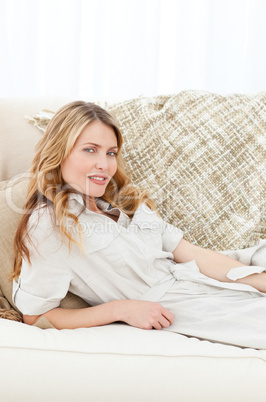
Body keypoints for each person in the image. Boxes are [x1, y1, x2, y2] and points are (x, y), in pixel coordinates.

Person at [12, 101, 266, 349]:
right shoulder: (49, 225)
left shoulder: (123, 202)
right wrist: (121, 309)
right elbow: (35, 315)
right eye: (90, 149)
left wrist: (256, 280)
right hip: (182, 308)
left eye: (111, 153)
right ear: (59, 152)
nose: (105, 164)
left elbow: (192, 254)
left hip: (201, 282)